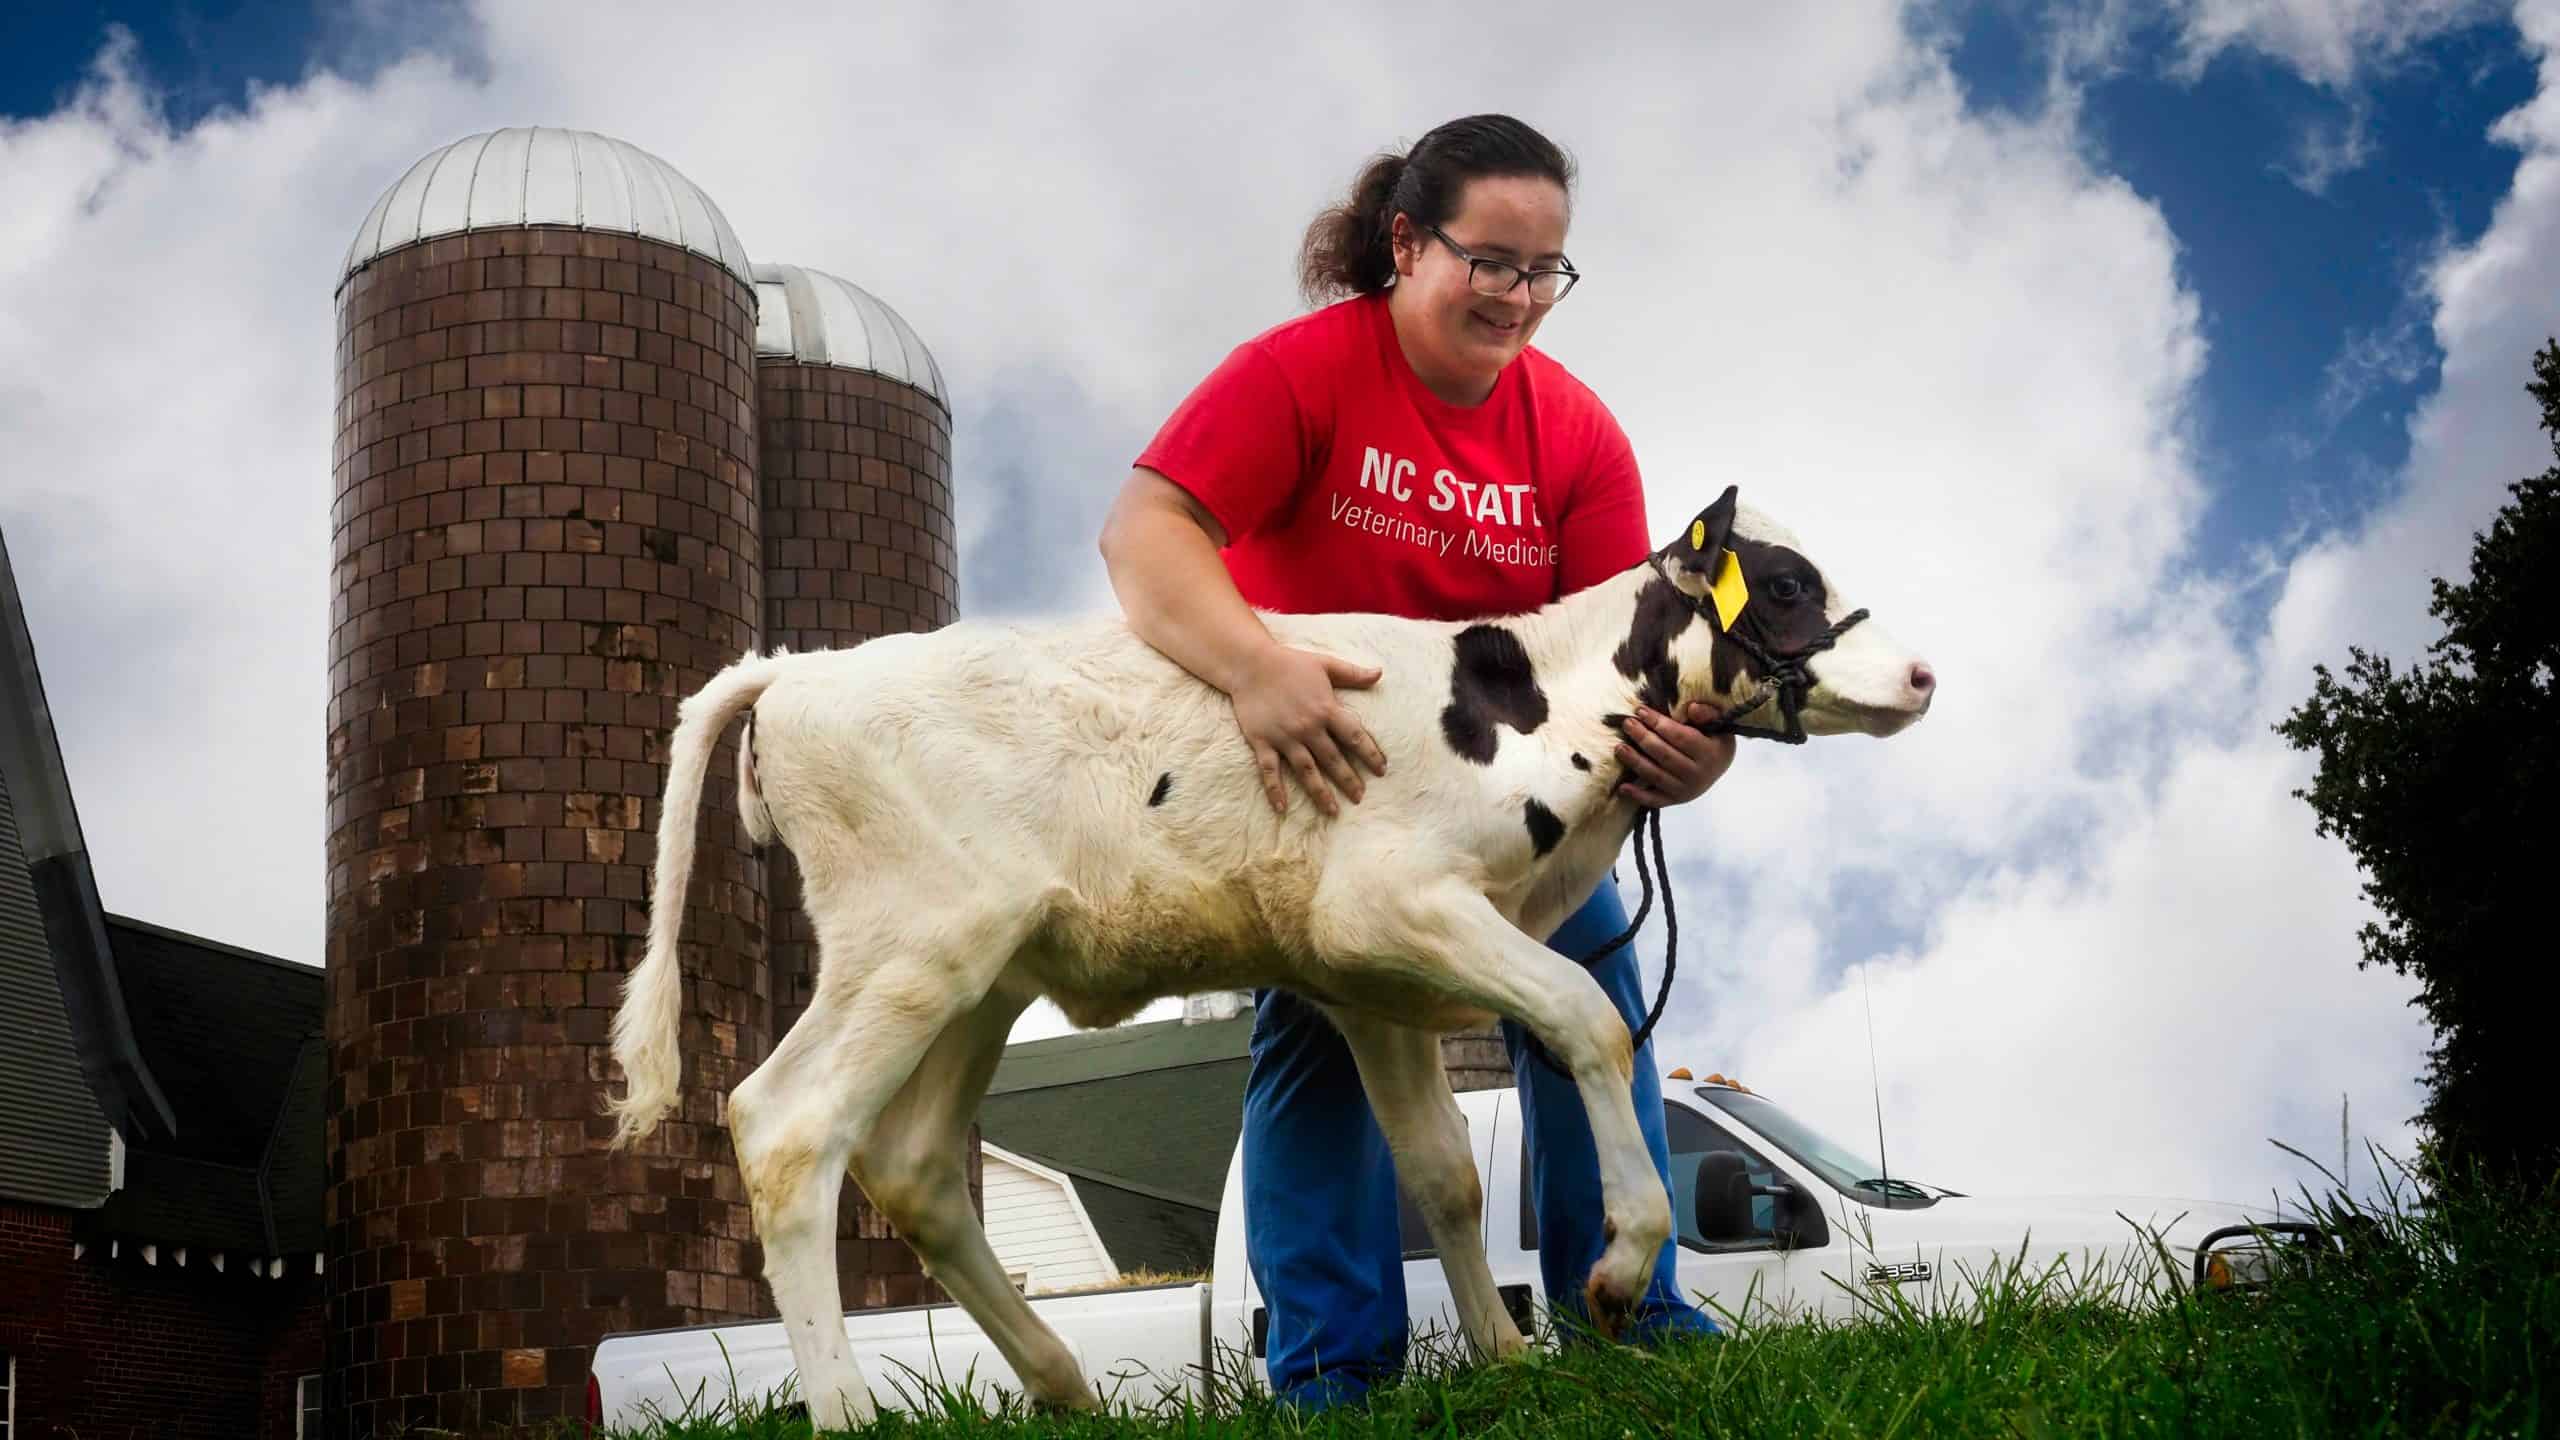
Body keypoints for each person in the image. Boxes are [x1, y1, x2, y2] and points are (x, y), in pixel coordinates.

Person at [1097, 113, 1736, 1412]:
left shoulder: (1578, 437)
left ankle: (1629, 1314)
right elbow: (1146, 534)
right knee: (1320, 1046)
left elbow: (1624, 649)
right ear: (1406, 241)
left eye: (1544, 269)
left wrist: (1695, 751)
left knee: (1590, 1002)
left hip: (1516, 799)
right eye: (1487, 261)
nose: (1517, 296)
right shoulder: (1298, 375)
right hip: (1330, 785)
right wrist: (1256, 667)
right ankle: (1332, 1367)